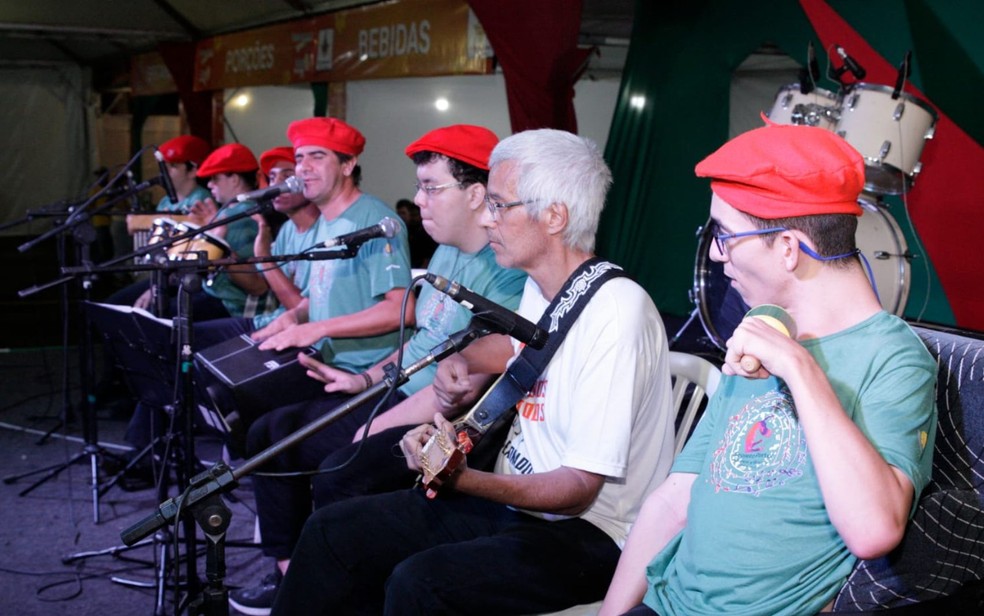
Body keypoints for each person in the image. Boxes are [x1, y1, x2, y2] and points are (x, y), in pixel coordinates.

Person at [269, 128, 677, 615]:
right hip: (523, 506)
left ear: (554, 216)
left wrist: (461, 478)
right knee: (331, 532)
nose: (486, 218)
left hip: (592, 533)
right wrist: (461, 361)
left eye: (500, 205)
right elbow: (511, 345)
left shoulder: (615, 311)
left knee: (420, 584)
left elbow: (575, 490)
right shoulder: (547, 287)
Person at [598, 122, 938, 616]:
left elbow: (873, 530)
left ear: (787, 249)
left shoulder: (894, 357)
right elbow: (674, 499)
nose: (716, 255)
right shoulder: (764, 332)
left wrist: (800, 369)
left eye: (724, 236)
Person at [229, 124, 527, 616]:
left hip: (435, 415)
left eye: (431, 187)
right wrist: (365, 380)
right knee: (271, 430)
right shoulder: (448, 250)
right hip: (393, 390)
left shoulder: (504, 272)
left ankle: (335, 594)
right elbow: (421, 341)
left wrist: (375, 423)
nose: (417, 200)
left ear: (477, 195)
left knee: (338, 472)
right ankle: (290, 572)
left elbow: (459, 382)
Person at [193, 145, 320, 349]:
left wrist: (262, 254)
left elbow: (296, 308)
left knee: (182, 339)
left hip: (284, 328)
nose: (276, 185)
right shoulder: (287, 230)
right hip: (269, 321)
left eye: (287, 176)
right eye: (272, 177)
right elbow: (260, 282)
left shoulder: (323, 230)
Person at [154, 134, 212, 213]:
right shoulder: (164, 202)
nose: (166, 171)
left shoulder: (201, 199)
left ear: (192, 171)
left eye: (173, 165)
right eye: (164, 166)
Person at [396, 198, 438, 268]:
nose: (401, 216)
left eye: (403, 213)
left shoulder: (425, 232)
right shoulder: (405, 231)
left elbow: (427, 257)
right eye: (399, 213)